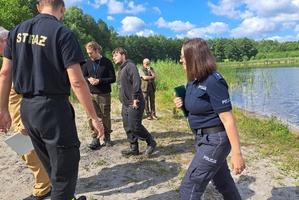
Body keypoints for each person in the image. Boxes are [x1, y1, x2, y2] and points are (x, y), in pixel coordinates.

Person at [0, 1, 104, 200]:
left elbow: (5, 73)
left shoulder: (16, 32)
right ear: (62, 9)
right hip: (53, 109)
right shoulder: (62, 32)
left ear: (39, 7)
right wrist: (94, 117)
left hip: (27, 109)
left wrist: (2, 108)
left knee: (50, 164)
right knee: (65, 170)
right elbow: (77, 81)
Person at [174, 38, 246, 200]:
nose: (181, 60)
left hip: (215, 140)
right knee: (223, 182)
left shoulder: (214, 82)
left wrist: (237, 153)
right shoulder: (193, 80)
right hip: (202, 138)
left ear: (195, 58)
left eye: (183, 57)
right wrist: (182, 103)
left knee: (189, 187)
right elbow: (199, 107)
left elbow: (228, 120)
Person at [0, 26, 51, 200]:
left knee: (30, 153)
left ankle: (43, 188)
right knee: (30, 152)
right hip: (19, 117)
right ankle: (49, 181)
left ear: (5, 41)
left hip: (26, 119)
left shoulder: (21, 61)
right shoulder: (14, 61)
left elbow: (30, 93)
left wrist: (24, 122)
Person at [112, 47, 157, 156]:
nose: (114, 58)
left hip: (134, 102)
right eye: (113, 56)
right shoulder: (122, 69)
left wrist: (135, 98)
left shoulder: (130, 66)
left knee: (135, 126)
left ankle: (151, 142)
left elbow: (137, 83)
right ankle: (134, 148)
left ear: (123, 56)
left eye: (116, 55)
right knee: (127, 126)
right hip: (126, 103)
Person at [82, 41, 116, 149]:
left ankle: (107, 137)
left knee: (105, 115)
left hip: (104, 94)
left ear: (97, 50)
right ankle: (95, 138)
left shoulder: (107, 62)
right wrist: (88, 79)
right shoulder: (87, 62)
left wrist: (99, 81)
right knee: (91, 116)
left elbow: (113, 78)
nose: (89, 55)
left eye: (91, 52)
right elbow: (83, 76)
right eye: (88, 53)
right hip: (90, 94)